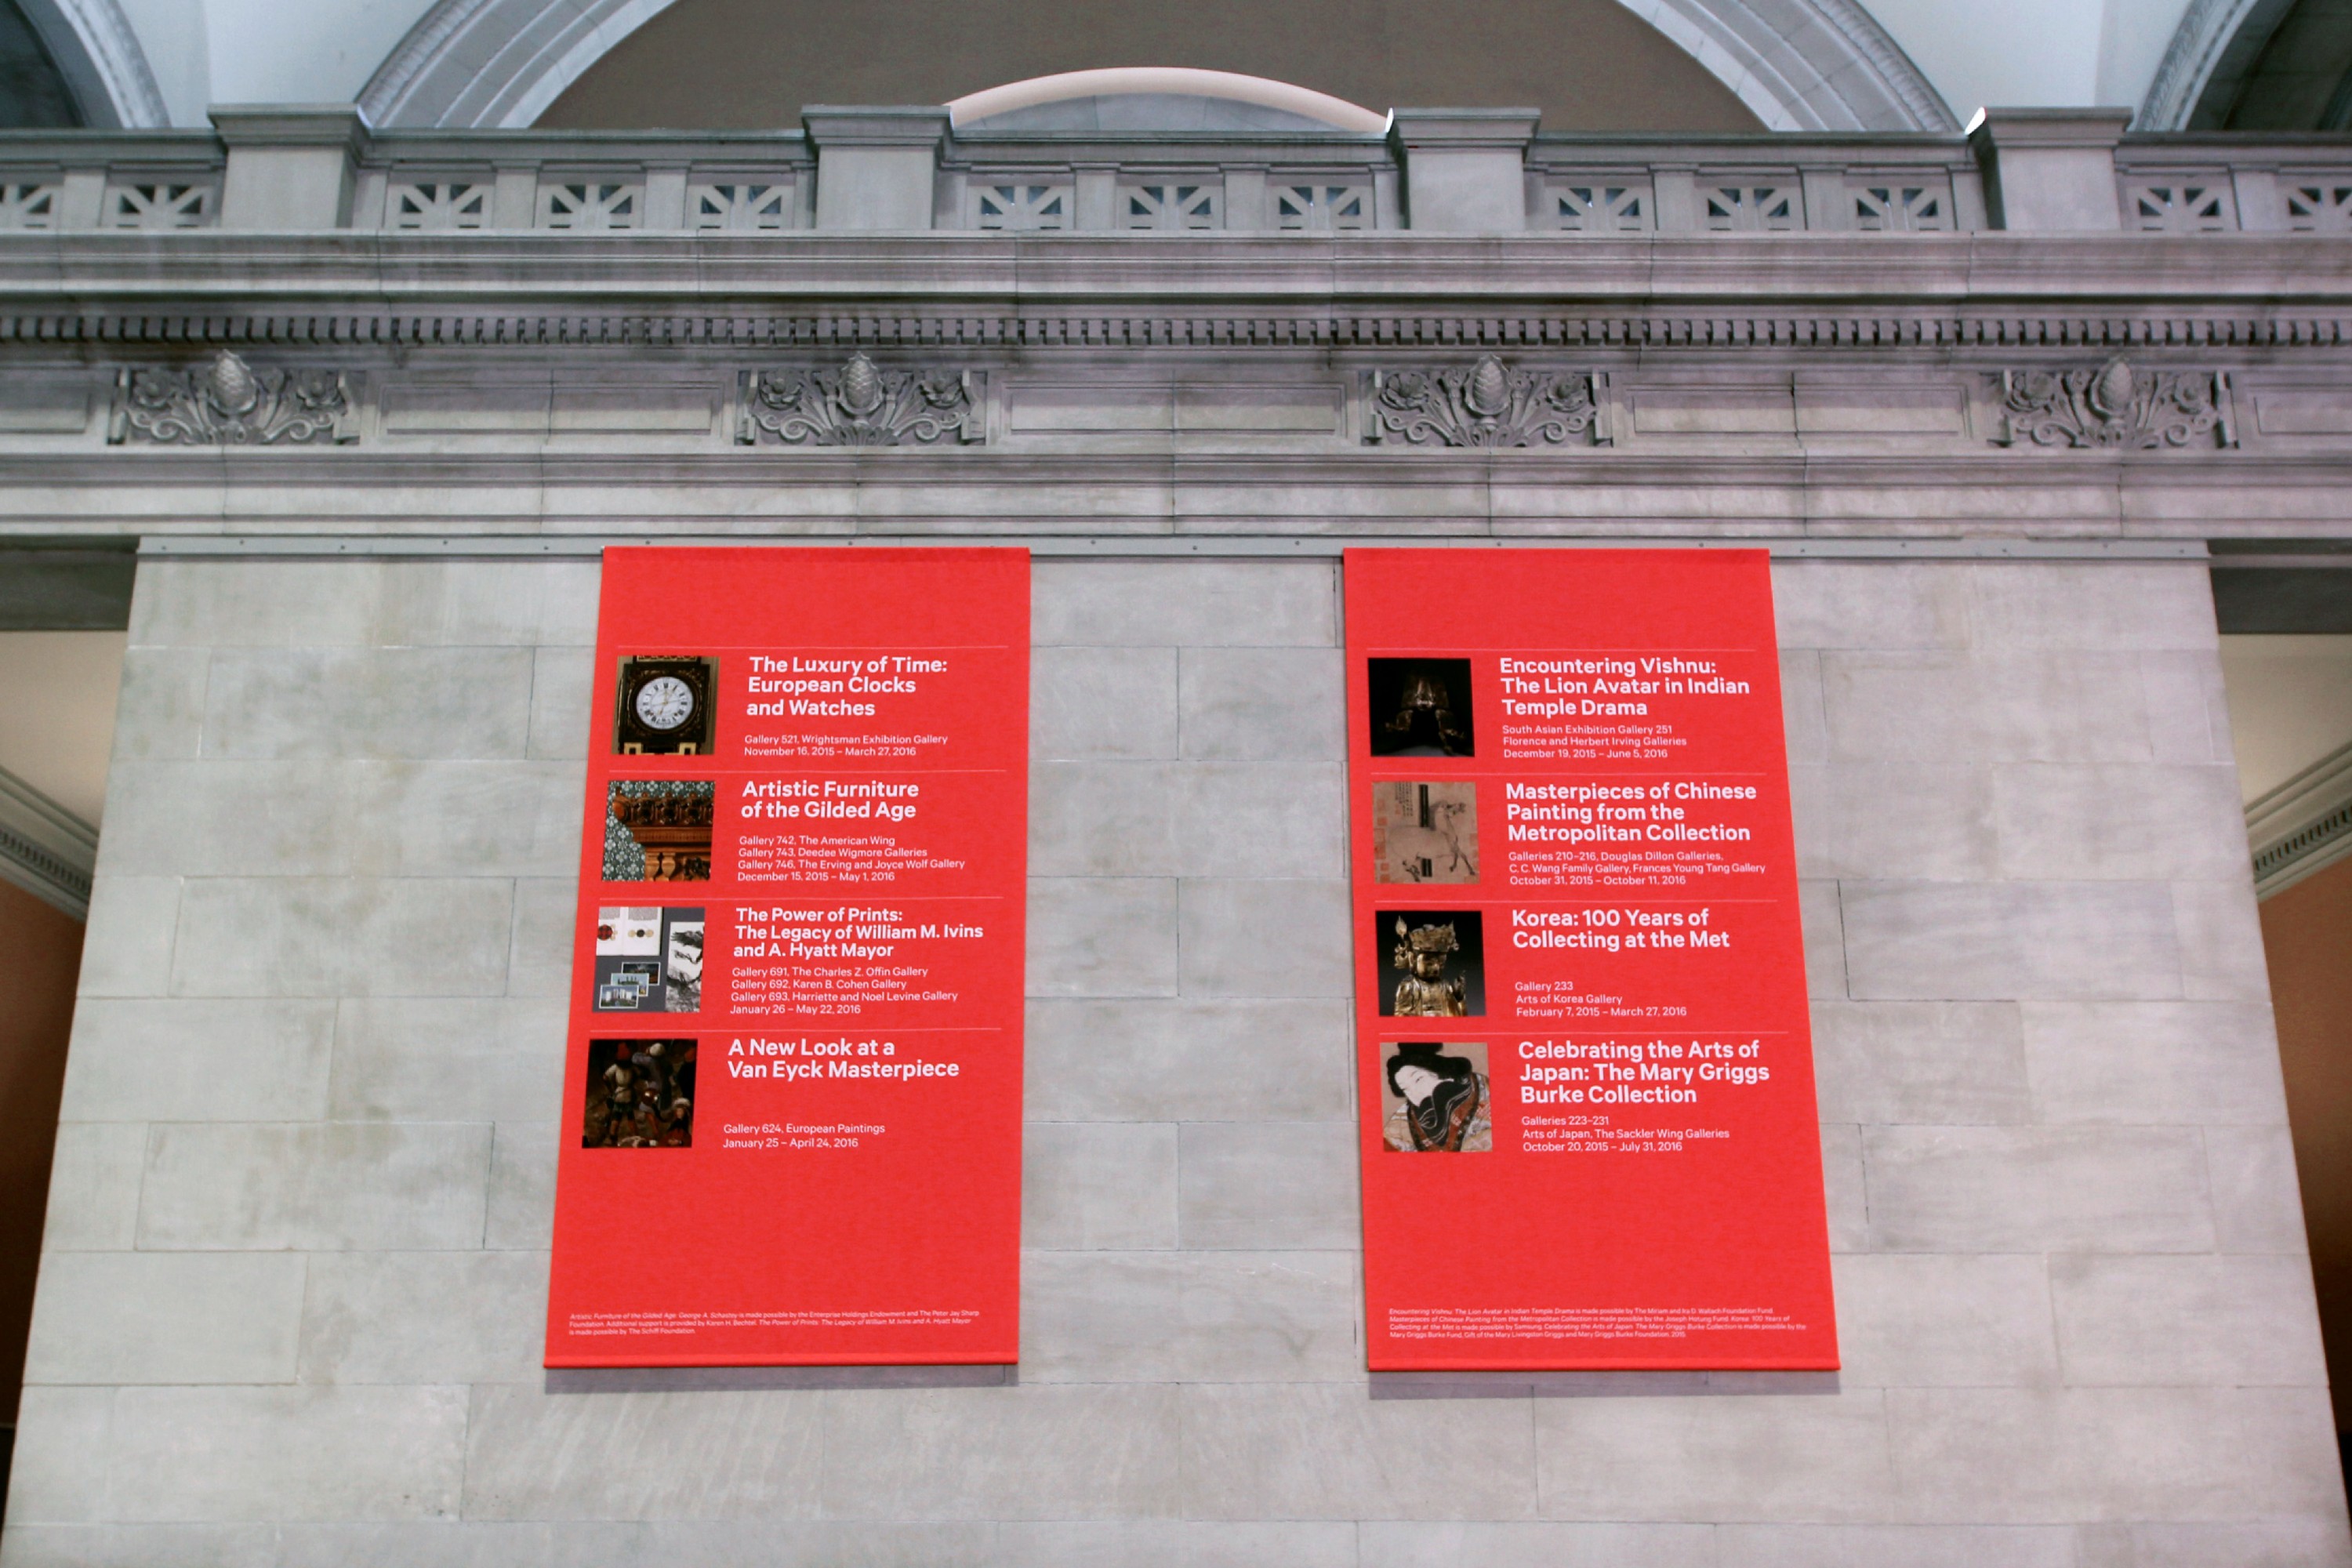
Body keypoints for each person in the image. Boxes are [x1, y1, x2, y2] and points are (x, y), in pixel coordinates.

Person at [1385, 1043, 1486, 1151]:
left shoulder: (1481, 1088)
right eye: (1405, 1089)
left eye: (1419, 1079)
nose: (1416, 1093)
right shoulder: (1406, 1115)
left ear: (1441, 1073)